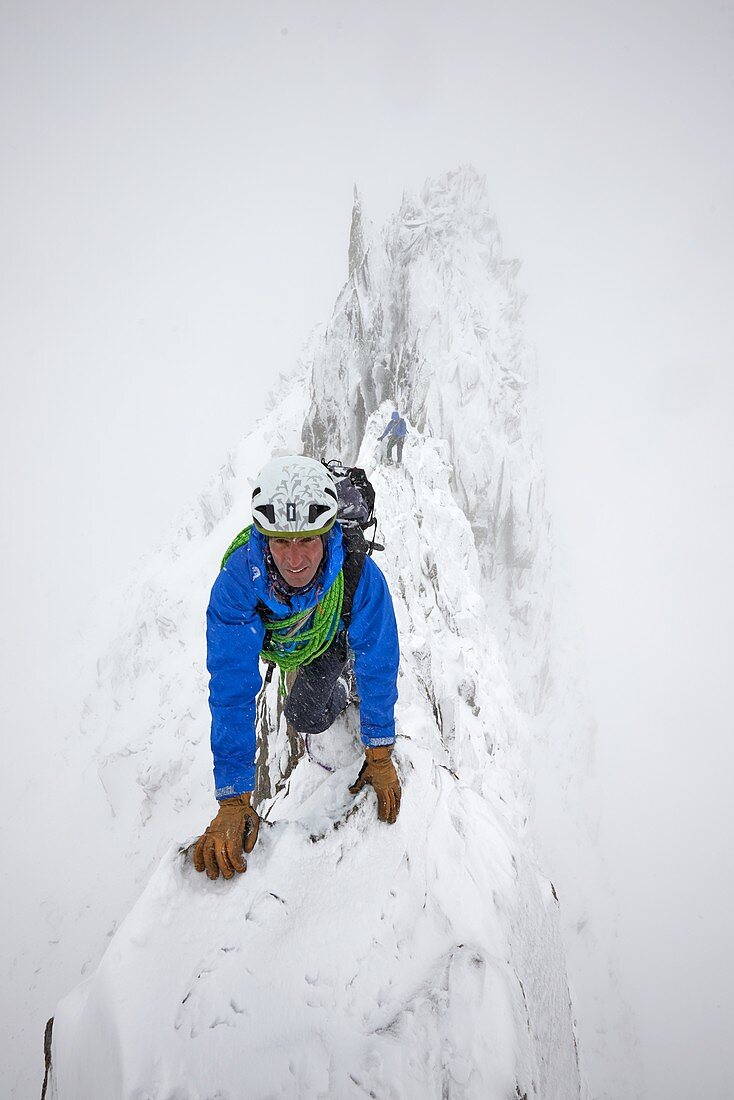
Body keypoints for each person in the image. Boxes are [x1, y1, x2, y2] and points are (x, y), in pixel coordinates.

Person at [194, 455, 401, 881]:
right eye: (281, 542)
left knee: (304, 714)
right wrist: (233, 799)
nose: (294, 559)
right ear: (261, 538)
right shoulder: (238, 582)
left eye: (307, 540)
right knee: (304, 711)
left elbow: (379, 659)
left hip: (331, 637)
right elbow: (232, 686)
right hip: (295, 643)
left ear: (328, 534)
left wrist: (379, 753)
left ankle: (345, 689)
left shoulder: (359, 575)